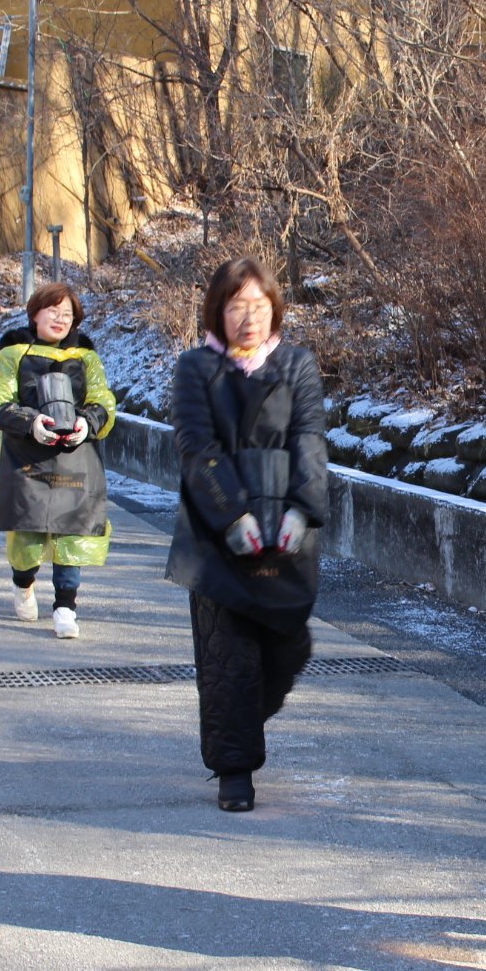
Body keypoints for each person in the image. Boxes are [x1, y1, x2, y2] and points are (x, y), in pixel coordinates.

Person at [164, 258, 327, 813]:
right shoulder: (196, 367)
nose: (249, 318)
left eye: (259, 306)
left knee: (288, 646)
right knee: (228, 658)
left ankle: (237, 724)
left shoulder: (297, 364)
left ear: (274, 309)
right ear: (218, 311)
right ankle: (235, 771)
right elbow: (197, 446)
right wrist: (232, 515)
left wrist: (303, 510)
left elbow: (309, 439)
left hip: (286, 531)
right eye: (237, 307)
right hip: (217, 535)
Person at [0, 282, 117, 640]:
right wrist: (31, 423)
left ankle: (65, 608)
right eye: (53, 312)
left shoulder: (86, 359)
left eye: (67, 315)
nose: (60, 320)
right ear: (35, 314)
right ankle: (23, 583)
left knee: (71, 533)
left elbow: (103, 401)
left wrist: (86, 423)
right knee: (26, 537)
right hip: (27, 460)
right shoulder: (11, 356)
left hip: (75, 456)